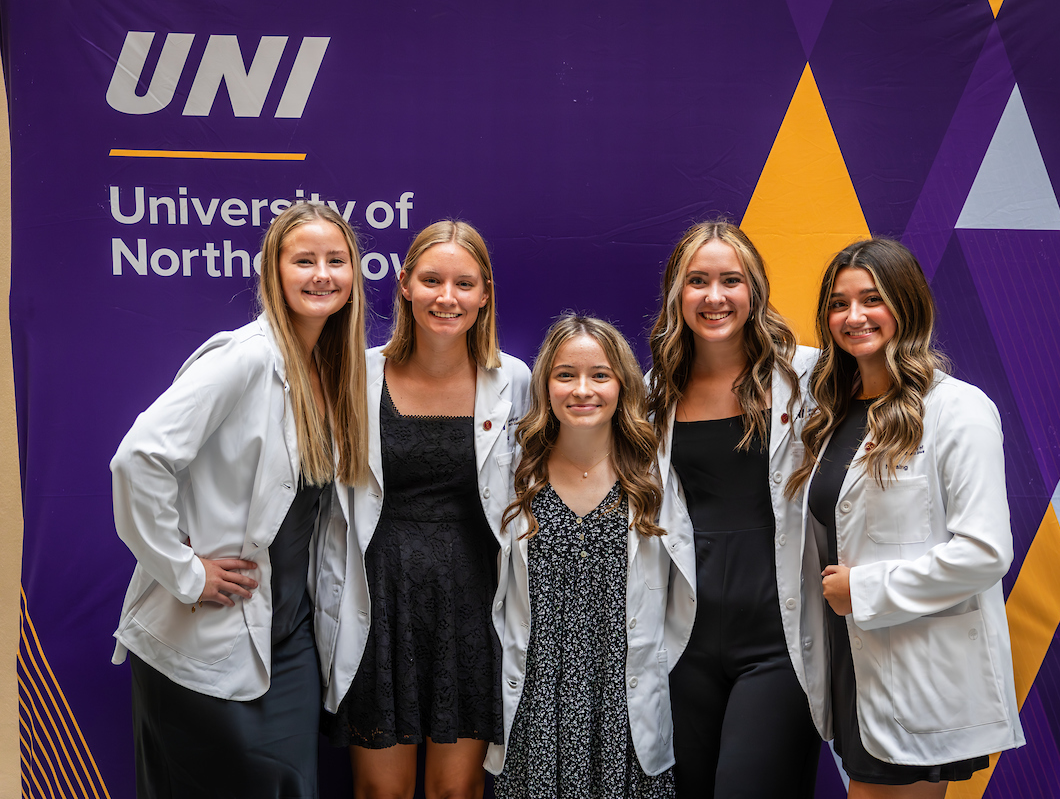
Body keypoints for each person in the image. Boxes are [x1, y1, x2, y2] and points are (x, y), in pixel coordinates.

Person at [110, 201, 370, 799]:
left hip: (290, 640)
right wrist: (184, 571)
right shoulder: (245, 356)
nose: (321, 275)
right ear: (273, 272)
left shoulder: (334, 371)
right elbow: (138, 458)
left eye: (336, 260)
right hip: (205, 634)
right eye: (303, 261)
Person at [790, 237, 1025, 798]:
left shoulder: (958, 409)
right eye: (838, 304)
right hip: (853, 656)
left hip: (918, 662)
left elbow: (985, 551)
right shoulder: (830, 415)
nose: (853, 317)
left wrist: (865, 588)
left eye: (872, 299)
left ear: (907, 304)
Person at [324, 220, 530, 799]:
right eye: (432, 279)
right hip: (378, 602)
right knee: (379, 794)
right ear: (405, 284)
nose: (447, 297)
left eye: (464, 284)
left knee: (454, 793)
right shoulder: (356, 376)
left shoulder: (513, 380)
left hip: (470, 604)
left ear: (485, 292)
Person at [646, 221, 823, 798]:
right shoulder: (654, 392)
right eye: (697, 281)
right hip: (686, 643)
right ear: (678, 293)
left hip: (778, 639)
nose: (714, 296)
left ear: (756, 291)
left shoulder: (811, 375)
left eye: (731, 280)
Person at [488, 315, 678, 799]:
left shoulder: (654, 474)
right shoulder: (513, 471)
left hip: (624, 704)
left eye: (600, 375)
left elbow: (682, 596)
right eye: (565, 374)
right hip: (537, 706)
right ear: (545, 385)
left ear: (622, 384)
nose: (582, 389)